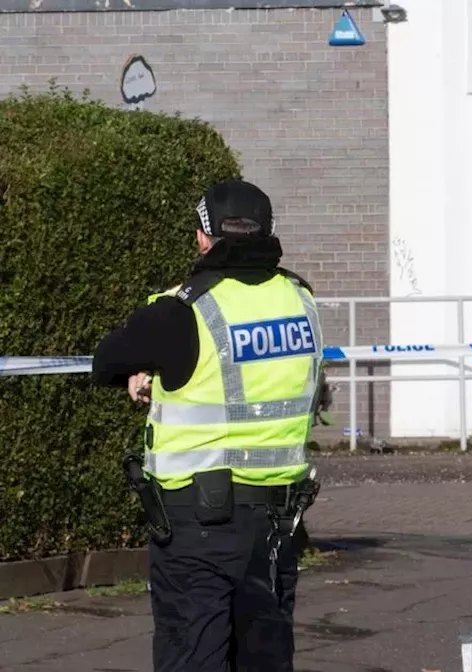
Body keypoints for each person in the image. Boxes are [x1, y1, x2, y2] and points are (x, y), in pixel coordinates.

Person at [91, 179, 323, 672]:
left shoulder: (182, 311)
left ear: (202, 236)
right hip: (277, 525)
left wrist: (145, 374)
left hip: (198, 529)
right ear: (270, 232)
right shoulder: (301, 301)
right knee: (264, 659)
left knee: (192, 657)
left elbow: (106, 362)